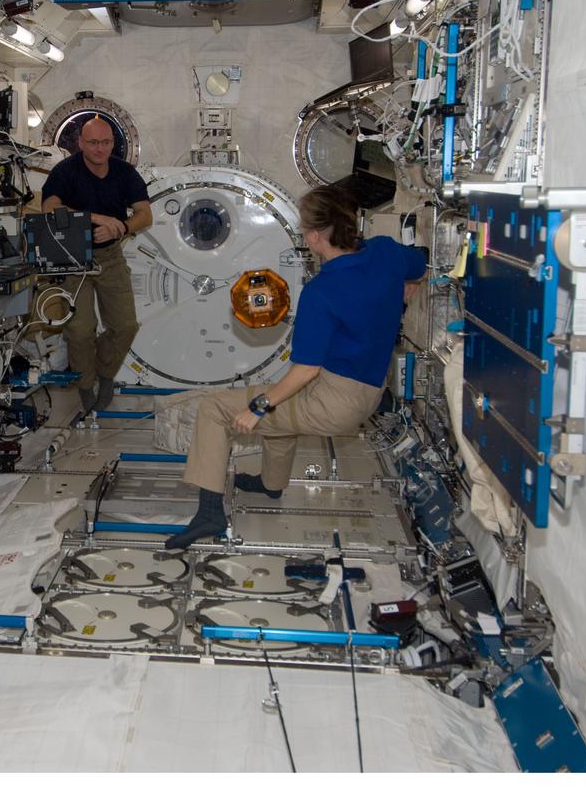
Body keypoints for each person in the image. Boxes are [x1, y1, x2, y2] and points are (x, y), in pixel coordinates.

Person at [166, 184, 426, 550]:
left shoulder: (322, 291)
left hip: (334, 401)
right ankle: (271, 485)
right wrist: (410, 282)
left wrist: (256, 410)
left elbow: (306, 370)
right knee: (281, 402)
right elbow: (423, 261)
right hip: (371, 390)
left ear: (317, 237)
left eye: (305, 230)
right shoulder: (386, 253)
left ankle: (209, 514)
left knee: (218, 409)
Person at [41, 116, 153, 413]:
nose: (99, 148)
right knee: (80, 330)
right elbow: (49, 208)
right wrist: (97, 217)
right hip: (73, 257)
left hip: (110, 256)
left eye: (105, 142)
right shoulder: (66, 172)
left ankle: (104, 374)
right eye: (92, 142)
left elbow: (145, 214)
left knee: (126, 325)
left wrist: (122, 227)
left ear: (113, 144)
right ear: (79, 143)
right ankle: (85, 383)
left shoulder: (124, 173)